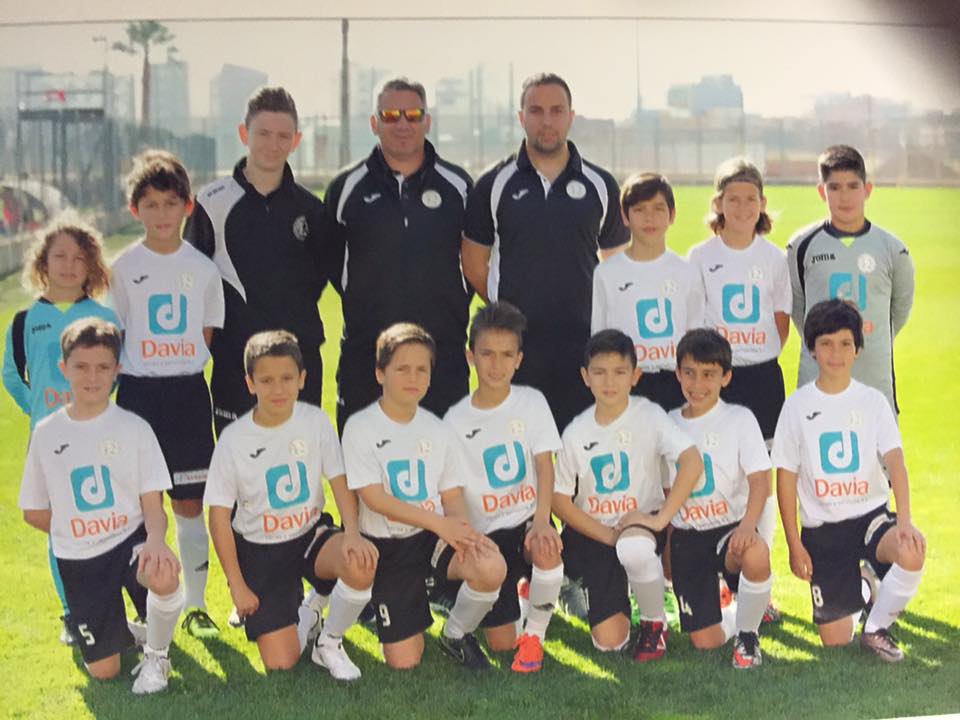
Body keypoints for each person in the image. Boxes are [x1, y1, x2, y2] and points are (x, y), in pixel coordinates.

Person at [18, 318, 184, 694]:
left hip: (130, 543)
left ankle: (157, 656)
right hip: (79, 558)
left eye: (102, 367)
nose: (92, 377)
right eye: (81, 366)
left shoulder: (134, 428)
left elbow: (153, 504)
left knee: (163, 574)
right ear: (64, 368)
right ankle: (126, 629)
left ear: (117, 370)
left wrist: (156, 540)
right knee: (105, 671)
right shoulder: (46, 434)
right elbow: (32, 511)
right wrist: (73, 530)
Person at [462, 72, 628, 434]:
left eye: (557, 110)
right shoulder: (493, 184)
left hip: (582, 348)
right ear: (521, 117)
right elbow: (473, 263)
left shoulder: (600, 184)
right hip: (517, 351)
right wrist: (507, 310)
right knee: (515, 452)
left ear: (571, 116)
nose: (547, 120)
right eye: (536, 111)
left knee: (580, 452)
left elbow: (616, 267)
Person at [204, 330, 376, 678]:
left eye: (286, 378)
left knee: (359, 561)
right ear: (250, 383)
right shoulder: (234, 439)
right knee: (281, 662)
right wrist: (237, 585)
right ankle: (308, 615)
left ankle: (329, 642)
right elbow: (218, 518)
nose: (278, 389)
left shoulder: (316, 421)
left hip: (309, 535)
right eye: (266, 380)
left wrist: (353, 533)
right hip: (261, 549)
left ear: (302, 379)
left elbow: (339, 481)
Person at [341, 323, 506, 671]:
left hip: (430, 540)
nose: (413, 377)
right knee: (405, 661)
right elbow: (374, 498)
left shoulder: (437, 428)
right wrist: (439, 524)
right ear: (380, 373)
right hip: (388, 549)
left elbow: (451, 494)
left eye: (421, 369)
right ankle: (379, 601)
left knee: (490, 565)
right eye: (402, 368)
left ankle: (456, 634)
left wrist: (462, 532)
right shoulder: (360, 426)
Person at [111, 150, 224, 638]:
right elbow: (115, 333)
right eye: (151, 204)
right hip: (138, 395)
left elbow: (207, 335)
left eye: (170, 203)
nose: (161, 214)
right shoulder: (122, 268)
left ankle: (196, 606)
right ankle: (148, 607)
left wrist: (179, 363)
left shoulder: (202, 269)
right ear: (134, 209)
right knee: (137, 505)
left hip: (186, 395)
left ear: (188, 206)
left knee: (189, 504)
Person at [772, 299, 925, 662]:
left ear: (857, 349)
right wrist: (794, 543)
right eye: (826, 343)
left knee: (911, 549)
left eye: (844, 343)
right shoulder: (796, 406)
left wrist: (904, 521)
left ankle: (876, 629)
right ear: (812, 349)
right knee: (836, 642)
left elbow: (896, 464)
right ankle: (866, 587)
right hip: (823, 530)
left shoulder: (872, 401)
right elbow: (786, 479)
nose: (836, 353)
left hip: (871, 518)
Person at [324, 77, 473, 431]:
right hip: (366, 355)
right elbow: (332, 265)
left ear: (427, 121)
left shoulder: (459, 186)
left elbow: (475, 261)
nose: (402, 124)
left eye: (412, 115)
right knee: (363, 458)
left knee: (444, 462)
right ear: (374, 123)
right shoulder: (345, 188)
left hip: (442, 355)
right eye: (390, 115)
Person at [184, 86, 330, 435]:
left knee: (300, 458)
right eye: (263, 133)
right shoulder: (212, 202)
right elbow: (192, 279)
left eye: (283, 136)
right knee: (241, 461)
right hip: (235, 364)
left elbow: (319, 278)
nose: (272, 144)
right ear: (244, 133)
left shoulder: (312, 209)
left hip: (299, 362)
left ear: (296, 140)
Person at [552, 329, 702, 660]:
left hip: (640, 527)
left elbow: (692, 461)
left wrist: (661, 519)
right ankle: (622, 588)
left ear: (635, 376)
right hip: (598, 534)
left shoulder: (648, 415)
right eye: (600, 372)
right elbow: (559, 500)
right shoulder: (575, 432)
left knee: (633, 547)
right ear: (585, 377)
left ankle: (653, 622)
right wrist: (606, 535)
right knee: (609, 643)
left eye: (620, 372)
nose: (610, 381)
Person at [2, 216, 117, 644]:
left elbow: (117, 372)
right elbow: (11, 374)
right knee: (60, 526)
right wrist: (39, 410)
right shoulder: (25, 320)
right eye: (60, 256)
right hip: (50, 444)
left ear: (92, 266)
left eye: (79, 258)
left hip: (99, 439)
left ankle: (110, 604)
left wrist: (93, 404)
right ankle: (72, 611)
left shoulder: (104, 316)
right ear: (43, 262)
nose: (69, 265)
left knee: (103, 519)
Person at [687, 158, 788, 620]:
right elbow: (694, 320)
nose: (743, 206)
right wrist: (720, 368)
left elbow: (780, 323)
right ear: (719, 203)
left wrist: (754, 354)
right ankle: (716, 576)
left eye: (751, 199)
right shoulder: (699, 256)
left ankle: (758, 587)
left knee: (758, 480)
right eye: (733, 198)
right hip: (715, 379)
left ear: (762, 203)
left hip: (762, 379)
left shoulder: (774, 258)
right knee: (714, 472)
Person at [443, 302, 563, 673]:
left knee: (546, 547)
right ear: (470, 357)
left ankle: (535, 637)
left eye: (506, 355)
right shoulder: (455, 421)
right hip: (487, 533)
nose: (496, 365)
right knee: (500, 643)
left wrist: (542, 520)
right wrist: (469, 539)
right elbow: (452, 492)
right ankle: (498, 605)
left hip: (526, 521)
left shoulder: (531, 402)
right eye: (487, 354)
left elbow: (544, 465)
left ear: (519, 360)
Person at [669, 329, 773, 669]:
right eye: (690, 373)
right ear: (677, 374)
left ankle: (747, 635)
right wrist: (667, 548)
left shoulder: (739, 418)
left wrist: (748, 525)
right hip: (688, 537)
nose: (697, 383)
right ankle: (733, 610)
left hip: (730, 530)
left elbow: (760, 480)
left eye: (709, 374)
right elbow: (666, 493)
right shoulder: (667, 425)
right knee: (706, 641)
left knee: (756, 552)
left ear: (726, 377)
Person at [786, 145, 914, 414]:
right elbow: (798, 308)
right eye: (834, 187)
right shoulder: (800, 246)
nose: (844, 197)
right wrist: (825, 338)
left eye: (853, 186)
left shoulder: (893, 249)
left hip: (874, 379)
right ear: (822, 191)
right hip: (817, 379)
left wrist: (866, 335)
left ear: (867, 189)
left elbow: (899, 311)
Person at [591, 172, 703, 412]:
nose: (649, 218)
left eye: (658, 209)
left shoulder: (687, 271)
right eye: (639, 209)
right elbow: (599, 339)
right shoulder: (607, 273)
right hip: (627, 384)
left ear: (672, 215)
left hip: (675, 384)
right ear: (625, 216)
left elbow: (695, 336)